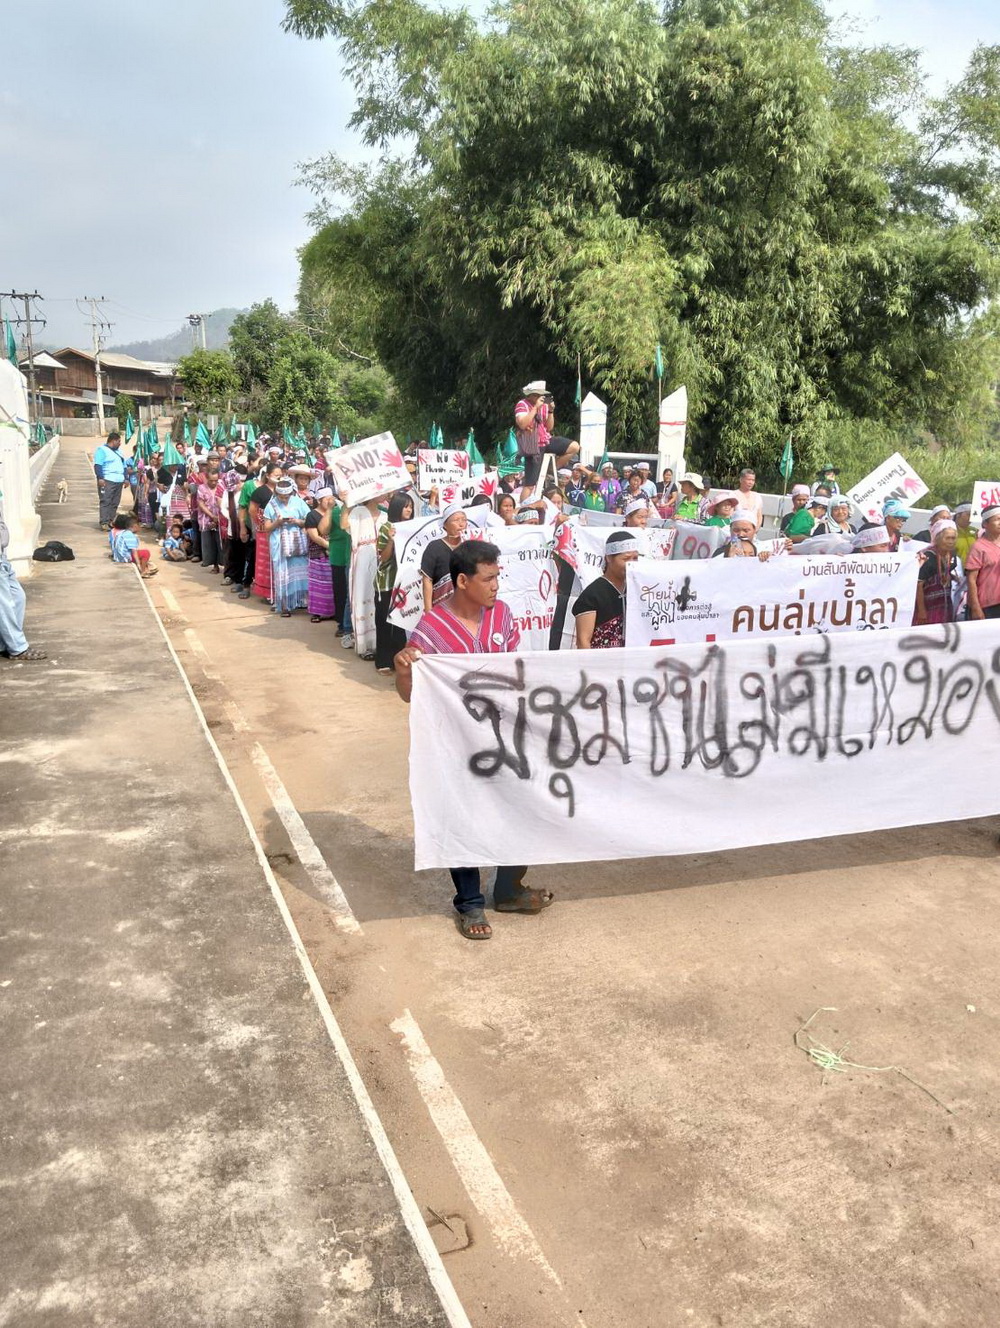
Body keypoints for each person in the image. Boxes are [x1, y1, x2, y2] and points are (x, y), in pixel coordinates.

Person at [394, 540, 553, 940]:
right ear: (463, 581)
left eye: (498, 577)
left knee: (520, 805)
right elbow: (409, 695)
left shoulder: (503, 615)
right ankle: (469, 903)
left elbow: (516, 672)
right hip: (457, 745)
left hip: (505, 738)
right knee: (461, 815)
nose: (496, 585)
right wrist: (404, 669)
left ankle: (509, 888)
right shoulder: (431, 629)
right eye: (488, 578)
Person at [572, 529, 640, 648]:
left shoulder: (637, 589)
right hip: (601, 658)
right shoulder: (592, 595)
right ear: (609, 558)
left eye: (635, 558)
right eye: (626, 559)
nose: (631, 564)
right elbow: (583, 641)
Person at [0, 497, 46, 661]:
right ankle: (17, 648)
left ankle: (5, 643)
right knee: (4, 604)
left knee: (17, 597)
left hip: (2, 556)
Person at [514, 381, 580, 491]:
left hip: (546, 439)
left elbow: (549, 427)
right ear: (532, 395)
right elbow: (522, 424)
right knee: (530, 485)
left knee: (574, 447)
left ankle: (551, 469)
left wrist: (550, 411)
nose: (541, 398)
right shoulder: (522, 404)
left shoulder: (544, 406)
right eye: (539, 395)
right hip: (531, 443)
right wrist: (535, 408)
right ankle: (526, 500)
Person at [374, 491, 413, 674]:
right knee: (384, 622)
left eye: (411, 506)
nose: (409, 510)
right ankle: (383, 660)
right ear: (397, 508)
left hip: (406, 584)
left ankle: (400, 660)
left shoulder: (413, 527)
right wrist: (391, 540)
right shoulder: (386, 528)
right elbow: (383, 558)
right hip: (387, 583)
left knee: (401, 624)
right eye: (406, 506)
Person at [263, 478, 310, 617]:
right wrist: (277, 522)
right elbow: (267, 527)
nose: (284, 499)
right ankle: (284, 606)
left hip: (296, 541)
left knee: (300, 572)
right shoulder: (271, 505)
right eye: (281, 497)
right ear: (276, 494)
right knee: (282, 574)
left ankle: (301, 601)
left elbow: (309, 520)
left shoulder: (298, 502)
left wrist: (297, 521)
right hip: (279, 542)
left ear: (291, 493)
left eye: (286, 496)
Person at [914, 520, 965, 625]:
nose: (951, 541)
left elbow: (944, 570)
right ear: (937, 538)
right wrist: (922, 610)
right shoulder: (928, 557)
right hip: (927, 605)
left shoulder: (951, 554)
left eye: (953, 538)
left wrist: (952, 577)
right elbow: (918, 584)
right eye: (947, 538)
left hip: (943, 604)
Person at [420, 503, 468, 610]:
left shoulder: (470, 546)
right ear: (445, 525)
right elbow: (427, 580)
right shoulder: (434, 547)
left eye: (464, 520)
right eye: (456, 520)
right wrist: (429, 611)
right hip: (443, 608)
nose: (461, 524)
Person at [249, 464, 281, 604]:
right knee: (266, 561)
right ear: (267, 475)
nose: (278, 476)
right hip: (264, 530)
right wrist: (260, 523)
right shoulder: (260, 491)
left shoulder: (283, 490)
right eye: (275, 474)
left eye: (280, 474)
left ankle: (280, 590)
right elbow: (252, 510)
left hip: (280, 528)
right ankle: (267, 592)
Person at [304, 489, 336, 622]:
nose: (330, 502)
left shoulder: (335, 512)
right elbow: (314, 536)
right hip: (318, 554)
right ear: (319, 500)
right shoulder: (312, 515)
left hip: (334, 554)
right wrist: (330, 546)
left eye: (331, 499)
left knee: (332, 584)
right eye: (326, 499)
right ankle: (317, 612)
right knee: (319, 585)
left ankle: (333, 612)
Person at [965, 504, 1000, 620]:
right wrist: (975, 608)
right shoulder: (978, 547)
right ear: (985, 524)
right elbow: (971, 579)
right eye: (997, 519)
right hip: (986, 606)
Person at [328, 492, 354, 647]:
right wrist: (344, 505)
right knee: (347, 596)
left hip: (367, 560)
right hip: (344, 558)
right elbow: (325, 529)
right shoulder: (339, 511)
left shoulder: (379, 511)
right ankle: (345, 627)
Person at [94, 431, 129, 530]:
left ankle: (111, 521)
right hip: (107, 480)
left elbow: (124, 466)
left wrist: (126, 478)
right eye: (119, 441)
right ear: (113, 441)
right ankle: (104, 522)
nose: (120, 443)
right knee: (106, 501)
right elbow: (98, 465)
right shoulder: (102, 450)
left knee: (115, 502)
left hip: (119, 480)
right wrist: (100, 477)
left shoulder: (119, 452)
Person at [196, 464, 223, 573]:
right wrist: (212, 516)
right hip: (206, 519)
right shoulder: (201, 488)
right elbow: (201, 504)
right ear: (207, 478)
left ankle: (223, 564)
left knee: (220, 543)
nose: (214, 483)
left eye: (216, 480)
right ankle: (214, 565)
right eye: (211, 480)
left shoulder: (221, 486)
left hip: (220, 519)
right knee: (210, 543)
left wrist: (218, 518)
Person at [111, 513, 157, 578]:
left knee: (140, 554)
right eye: (138, 525)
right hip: (123, 558)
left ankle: (145, 567)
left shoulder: (121, 533)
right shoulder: (130, 535)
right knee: (146, 553)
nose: (140, 527)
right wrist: (138, 564)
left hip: (117, 557)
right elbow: (134, 552)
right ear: (135, 526)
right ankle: (142, 571)